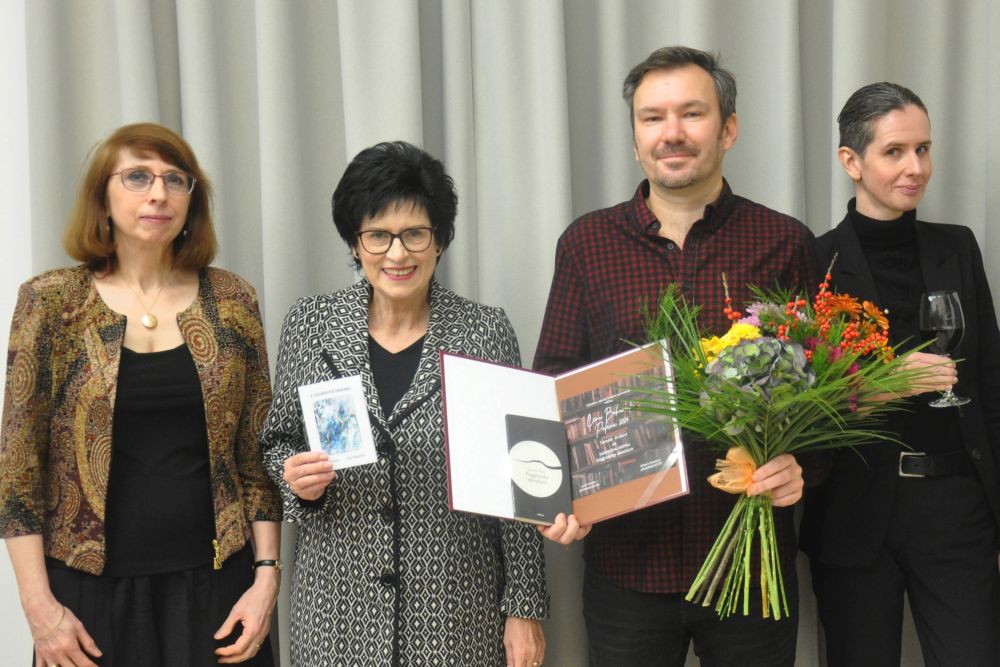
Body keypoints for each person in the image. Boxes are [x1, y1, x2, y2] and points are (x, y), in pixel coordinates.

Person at [533, 46, 815, 666]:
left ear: (728, 128)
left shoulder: (785, 241)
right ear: (636, 138)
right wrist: (555, 491)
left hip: (750, 562)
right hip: (626, 568)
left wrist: (802, 466)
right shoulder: (586, 244)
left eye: (692, 113)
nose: (672, 133)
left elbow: (821, 394)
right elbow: (552, 381)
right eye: (653, 117)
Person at [0, 122, 282, 666]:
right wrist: (39, 610)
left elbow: (255, 456)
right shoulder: (51, 303)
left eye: (175, 180)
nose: (158, 193)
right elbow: (17, 472)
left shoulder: (232, 300)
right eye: (137, 177)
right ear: (102, 199)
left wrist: (266, 578)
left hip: (219, 593)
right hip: (86, 601)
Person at [261, 141, 549, 667]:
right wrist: (295, 480)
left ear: (439, 240)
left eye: (415, 233)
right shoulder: (310, 323)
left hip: (455, 610)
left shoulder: (484, 332)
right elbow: (277, 441)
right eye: (378, 236)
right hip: (336, 611)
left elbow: (519, 479)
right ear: (355, 244)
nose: (397, 254)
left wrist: (524, 608)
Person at [799, 82, 1000, 666]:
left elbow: (990, 381)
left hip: (957, 508)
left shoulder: (957, 247)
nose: (916, 168)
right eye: (895, 151)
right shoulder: (815, 262)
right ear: (851, 161)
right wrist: (887, 383)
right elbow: (802, 408)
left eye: (923, 149)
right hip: (854, 512)